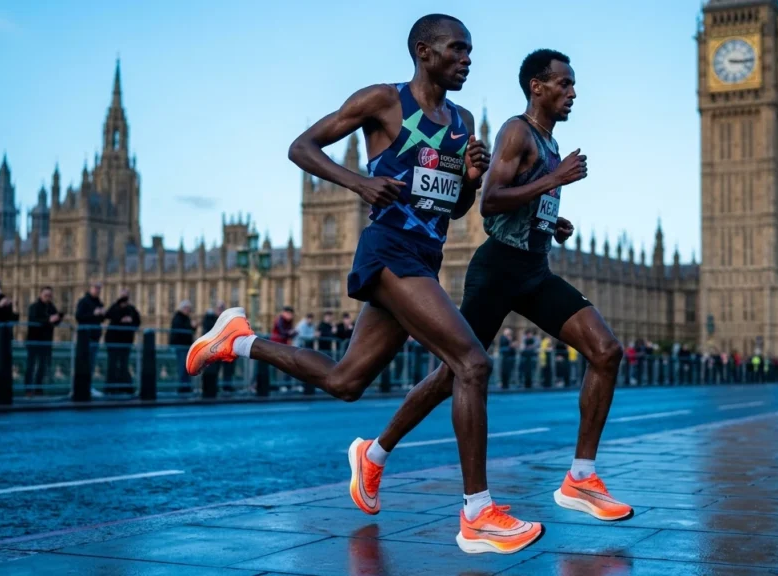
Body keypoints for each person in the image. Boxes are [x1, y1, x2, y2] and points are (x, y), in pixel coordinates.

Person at [187, 14, 543, 554]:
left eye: (471, 52)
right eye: (458, 50)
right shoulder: (384, 101)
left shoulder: (464, 120)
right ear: (424, 52)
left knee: (346, 381)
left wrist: (470, 180)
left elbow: (452, 207)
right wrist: (358, 182)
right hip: (388, 251)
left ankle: (237, 340)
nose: (467, 59)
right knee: (471, 362)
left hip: (424, 256)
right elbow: (302, 147)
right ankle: (477, 512)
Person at [354, 49, 632, 524]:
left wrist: (552, 221)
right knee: (454, 375)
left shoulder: (547, 141)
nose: (573, 92)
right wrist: (556, 180)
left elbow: (522, 205)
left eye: (573, 84)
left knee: (606, 351)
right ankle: (376, 453)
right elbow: (491, 202)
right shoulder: (517, 130)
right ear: (537, 87)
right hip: (497, 271)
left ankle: (581, 477)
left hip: (533, 270)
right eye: (564, 84)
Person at [25, 286, 64, 396]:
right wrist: (48, 320)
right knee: (31, 366)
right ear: (40, 295)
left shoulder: (51, 307)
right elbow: (33, 320)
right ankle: (28, 389)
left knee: (42, 366)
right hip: (34, 340)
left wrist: (59, 317)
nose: (48, 297)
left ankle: (38, 389)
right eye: (46, 295)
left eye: (50, 296)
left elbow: (55, 322)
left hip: (46, 341)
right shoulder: (34, 306)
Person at [104, 290, 141, 394]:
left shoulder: (132, 309)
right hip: (113, 341)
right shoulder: (114, 307)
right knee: (112, 364)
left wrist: (130, 320)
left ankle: (125, 388)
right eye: (122, 297)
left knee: (124, 365)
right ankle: (111, 388)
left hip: (126, 342)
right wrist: (121, 319)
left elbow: (137, 322)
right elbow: (107, 315)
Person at [170, 300, 197, 393]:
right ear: (183, 308)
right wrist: (191, 327)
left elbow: (189, 331)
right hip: (181, 346)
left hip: (186, 346)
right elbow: (181, 331)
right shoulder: (178, 317)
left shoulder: (186, 318)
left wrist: (193, 327)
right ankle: (183, 389)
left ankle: (186, 388)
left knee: (186, 368)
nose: (189, 311)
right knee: (182, 368)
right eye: (188, 309)